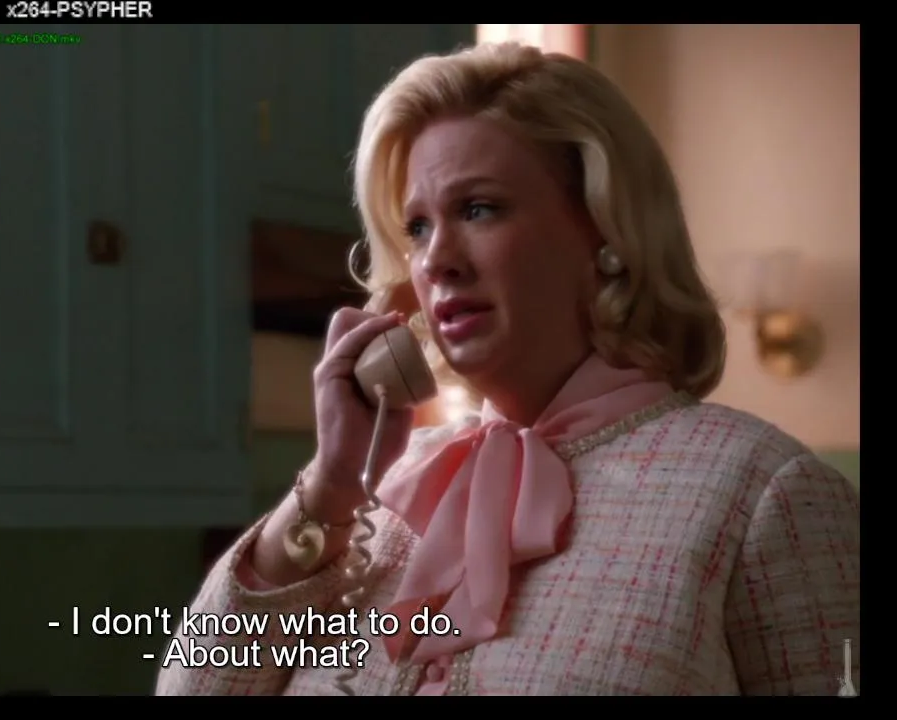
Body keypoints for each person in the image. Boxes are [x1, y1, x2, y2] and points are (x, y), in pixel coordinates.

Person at [156, 42, 861, 696]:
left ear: (607, 228)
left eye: (479, 209)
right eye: (418, 228)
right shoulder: (381, 498)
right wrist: (332, 482)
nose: (436, 260)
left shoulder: (763, 490)